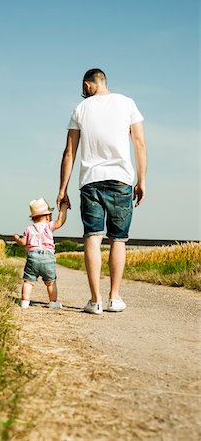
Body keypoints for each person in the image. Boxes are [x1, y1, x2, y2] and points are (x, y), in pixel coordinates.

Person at [57, 68, 147, 315]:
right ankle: (114, 298)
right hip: (121, 180)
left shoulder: (80, 109)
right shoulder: (127, 103)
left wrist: (62, 189)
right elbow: (139, 143)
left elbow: (69, 153)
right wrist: (142, 180)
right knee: (118, 240)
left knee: (93, 237)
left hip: (90, 182)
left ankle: (95, 300)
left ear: (88, 85)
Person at [14, 197, 69, 309]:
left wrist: (17, 239)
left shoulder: (29, 229)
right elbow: (60, 221)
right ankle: (53, 302)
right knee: (50, 283)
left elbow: (24, 242)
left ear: (33, 218)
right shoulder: (49, 226)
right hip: (48, 258)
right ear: (48, 217)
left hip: (33, 256)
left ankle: (25, 301)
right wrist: (64, 207)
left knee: (28, 282)